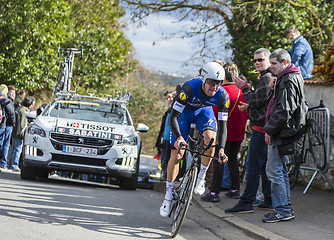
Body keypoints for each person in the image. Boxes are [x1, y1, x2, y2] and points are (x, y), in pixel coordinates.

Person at [160, 61, 230, 217]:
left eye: (218, 83)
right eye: (211, 82)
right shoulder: (189, 88)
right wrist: (178, 137)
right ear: (204, 79)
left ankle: (201, 177)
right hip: (184, 114)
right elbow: (173, 117)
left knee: (211, 138)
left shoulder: (223, 96)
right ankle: (168, 196)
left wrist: (222, 149)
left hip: (203, 113)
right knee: (177, 154)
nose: (215, 87)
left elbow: (223, 126)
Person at [225, 48, 275, 213]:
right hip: (262, 127)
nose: (257, 63)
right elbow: (259, 102)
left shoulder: (267, 77)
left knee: (253, 165)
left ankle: (246, 201)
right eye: (255, 60)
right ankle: (268, 199)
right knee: (262, 167)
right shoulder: (266, 77)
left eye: (260, 59)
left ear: (268, 60)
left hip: (261, 128)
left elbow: (256, 100)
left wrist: (244, 88)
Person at [262, 48, 307, 223]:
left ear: (285, 63)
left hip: (282, 132)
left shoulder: (288, 80)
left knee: (275, 171)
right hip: (286, 131)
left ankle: (283, 210)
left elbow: (284, 110)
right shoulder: (288, 77)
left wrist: (269, 130)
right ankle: (284, 208)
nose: (271, 67)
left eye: (274, 64)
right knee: (279, 170)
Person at [201, 63, 248, 202]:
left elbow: (213, 113)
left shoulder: (222, 92)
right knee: (233, 160)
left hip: (224, 132)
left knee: (218, 160)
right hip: (239, 132)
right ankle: (235, 189)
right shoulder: (242, 92)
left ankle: (214, 192)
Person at [8, 96, 35, 171]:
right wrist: (24, 134)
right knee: (17, 150)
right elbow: (23, 124)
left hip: (14, 132)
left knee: (13, 149)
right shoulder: (23, 111)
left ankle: (10, 164)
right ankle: (14, 165)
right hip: (19, 133)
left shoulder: (19, 108)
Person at [155, 90, 175, 179]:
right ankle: (164, 174)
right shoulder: (169, 110)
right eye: (167, 98)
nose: (169, 99)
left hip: (172, 138)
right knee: (164, 159)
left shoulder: (175, 110)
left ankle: (168, 176)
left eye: (170, 97)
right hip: (165, 138)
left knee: (169, 158)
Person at [0, 85, 16, 168]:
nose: (13, 94)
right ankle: (2, 163)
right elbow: (11, 113)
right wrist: (13, 123)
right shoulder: (6, 100)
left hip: (4, 124)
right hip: (4, 125)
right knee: (5, 144)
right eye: (12, 92)